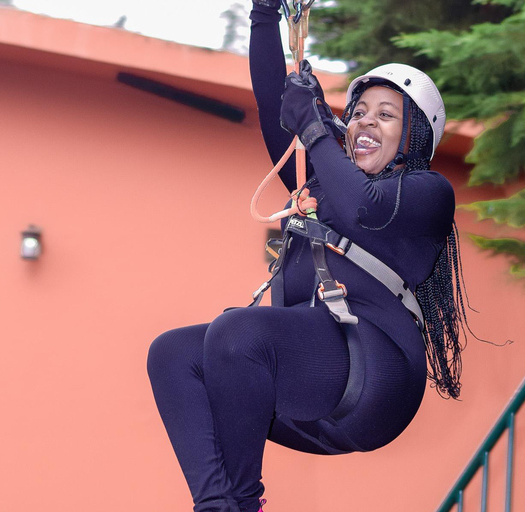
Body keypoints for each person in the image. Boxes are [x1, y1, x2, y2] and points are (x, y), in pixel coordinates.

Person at [146, 1, 470, 511]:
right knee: (173, 354)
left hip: (379, 375)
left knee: (238, 333)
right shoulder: (319, 183)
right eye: (358, 112)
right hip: (310, 393)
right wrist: (264, 16)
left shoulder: (427, 192)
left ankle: (242, 504)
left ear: (414, 137)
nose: (365, 121)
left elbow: (365, 208)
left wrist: (317, 128)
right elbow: (271, 101)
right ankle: (216, 505)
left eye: (385, 115)